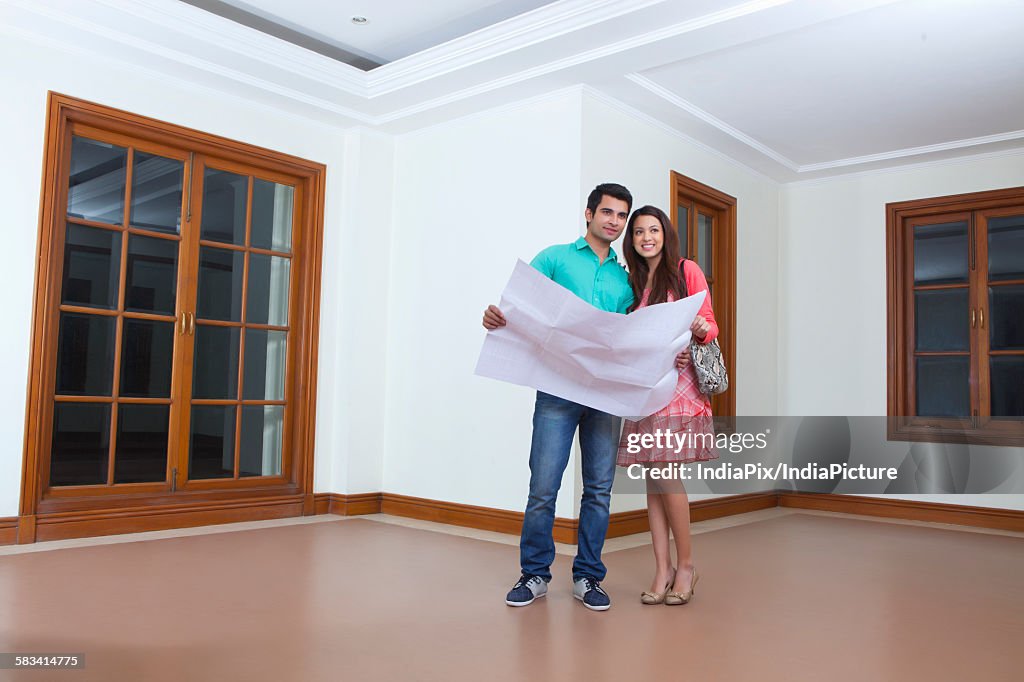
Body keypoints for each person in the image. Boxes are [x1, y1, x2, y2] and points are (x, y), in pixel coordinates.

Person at [482, 183, 634, 611]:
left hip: (604, 394)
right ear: (588, 214)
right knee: (543, 486)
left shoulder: (626, 279)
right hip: (555, 389)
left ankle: (589, 577)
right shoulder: (555, 258)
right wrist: (496, 316)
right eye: (607, 212)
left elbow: (630, 336)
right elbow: (519, 307)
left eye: (622, 216)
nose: (615, 222)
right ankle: (534, 574)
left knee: (600, 490)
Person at [617, 205, 719, 606]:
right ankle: (662, 569)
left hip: (679, 387)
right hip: (645, 389)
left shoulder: (686, 270)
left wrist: (697, 331)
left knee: (666, 474)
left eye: (653, 230)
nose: (646, 237)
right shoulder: (633, 282)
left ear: (665, 233)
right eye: (639, 231)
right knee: (652, 478)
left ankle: (687, 566)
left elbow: (710, 324)